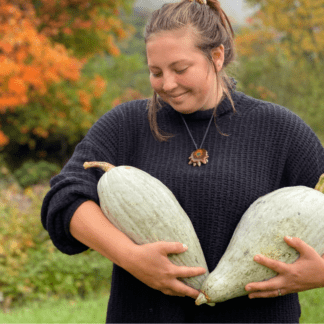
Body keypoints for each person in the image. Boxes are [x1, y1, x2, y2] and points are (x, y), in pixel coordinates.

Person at [41, 0, 324, 322]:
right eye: (155, 72)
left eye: (180, 69)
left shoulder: (280, 130)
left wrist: (321, 272)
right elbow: (64, 199)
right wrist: (130, 257)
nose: (167, 84)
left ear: (216, 56)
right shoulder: (126, 124)